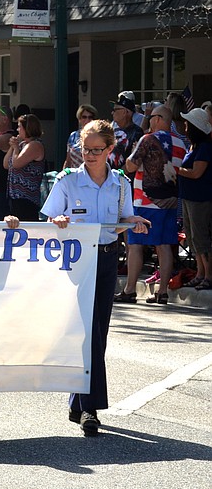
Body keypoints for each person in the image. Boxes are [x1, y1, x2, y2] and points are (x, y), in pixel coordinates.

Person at [40, 119, 150, 436]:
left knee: (97, 331)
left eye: (96, 150)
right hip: (76, 260)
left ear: (110, 150)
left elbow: (124, 217)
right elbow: (50, 217)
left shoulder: (120, 183)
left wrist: (135, 221)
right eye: (85, 149)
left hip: (106, 257)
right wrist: (58, 220)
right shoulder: (67, 181)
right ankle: (90, 408)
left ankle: (78, 400)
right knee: (85, 330)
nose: (89, 155)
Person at [115, 105, 186, 304]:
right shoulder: (180, 142)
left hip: (145, 201)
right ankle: (162, 291)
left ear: (158, 119)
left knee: (136, 244)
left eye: (152, 117)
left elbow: (130, 165)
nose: (150, 121)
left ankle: (130, 289)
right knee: (164, 245)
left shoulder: (148, 139)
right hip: (170, 201)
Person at [175, 108, 212, 291]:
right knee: (191, 236)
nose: (185, 127)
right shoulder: (193, 147)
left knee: (201, 236)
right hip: (189, 197)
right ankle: (199, 272)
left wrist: (175, 170)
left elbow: (197, 173)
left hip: (200, 199)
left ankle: (208, 274)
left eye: (188, 124)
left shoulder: (205, 147)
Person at [4, 114, 46, 221]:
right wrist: (12, 147)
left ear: (27, 128)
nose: (17, 130)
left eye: (19, 127)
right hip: (14, 196)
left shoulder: (34, 145)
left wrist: (16, 148)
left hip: (26, 198)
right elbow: (6, 164)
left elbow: (17, 163)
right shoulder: (22, 144)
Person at [110, 93, 144, 170]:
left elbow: (135, 159)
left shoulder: (137, 132)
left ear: (125, 112)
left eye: (115, 110)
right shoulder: (111, 130)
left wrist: (119, 175)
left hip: (124, 178)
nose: (112, 113)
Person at [64, 104, 98, 170]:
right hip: (75, 175)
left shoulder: (99, 137)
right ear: (79, 119)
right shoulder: (73, 136)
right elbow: (68, 160)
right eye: (84, 117)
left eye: (90, 117)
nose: (87, 120)